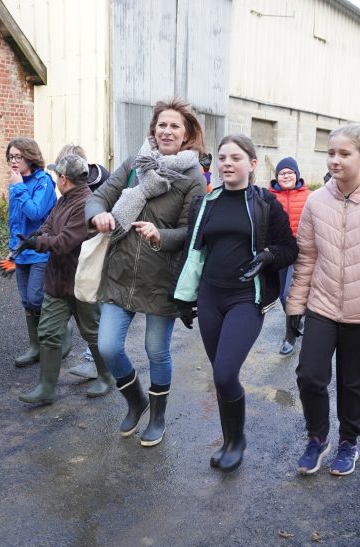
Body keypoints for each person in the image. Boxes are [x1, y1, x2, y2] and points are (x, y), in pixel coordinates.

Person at [285, 123, 360, 477]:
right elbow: (306, 257)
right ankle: (317, 438)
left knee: (355, 385)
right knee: (310, 376)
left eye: (344, 153)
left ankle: (348, 442)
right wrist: (296, 305)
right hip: (322, 307)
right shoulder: (315, 201)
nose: (335, 160)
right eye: (330, 153)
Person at [84, 97, 207, 447]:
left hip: (161, 278)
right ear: (153, 129)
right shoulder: (134, 164)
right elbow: (98, 197)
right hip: (120, 273)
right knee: (108, 346)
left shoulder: (193, 178)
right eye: (162, 125)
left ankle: (158, 414)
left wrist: (160, 236)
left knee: (156, 351)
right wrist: (98, 216)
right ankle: (135, 400)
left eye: (175, 126)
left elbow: (192, 231)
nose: (167, 131)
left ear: (187, 135)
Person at [174, 135, 297, 472]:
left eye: (236, 158)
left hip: (246, 297)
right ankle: (230, 438)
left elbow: (290, 249)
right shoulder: (204, 203)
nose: (227, 163)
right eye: (223, 158)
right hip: (210, 296)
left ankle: (237, 440)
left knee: (227, 371)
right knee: (220, 375)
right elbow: (192, 252)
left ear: (252, 164)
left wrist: (268, 256)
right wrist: (184, 298)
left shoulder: (266, 203)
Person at [15, 154, 114, 404]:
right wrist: (37, 236)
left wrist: (38, 242)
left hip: (82, 281)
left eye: (56, 174)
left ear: (63, 178)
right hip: (58, 281)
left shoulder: (86, 203)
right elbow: (48, 226)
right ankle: (46, 388)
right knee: (48, 332)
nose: (55, 178)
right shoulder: (63, 201)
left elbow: (64, 242)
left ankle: (106, 376)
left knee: (92, 332)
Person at [54, 142, 112, 382]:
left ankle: (99, 365)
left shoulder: (100, 183)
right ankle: (78, 347)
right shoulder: (67, 192)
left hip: (100, 251)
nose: (60, 181)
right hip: (79, 256)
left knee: (96, 311)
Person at [6, 137, 57, 367]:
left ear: (30, 157)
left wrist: (18, 187)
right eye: (11, 156)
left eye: (18, 156)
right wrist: (12, 249)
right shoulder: (15, 181)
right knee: (26, 300)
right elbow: (15, 221)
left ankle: (58, 336)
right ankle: (35, 347)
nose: (13, 161)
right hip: (21, 251)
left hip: (40, 250)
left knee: (37, 298)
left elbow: (35, 213)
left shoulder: (43, 182)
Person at [268, 156, 310, 355]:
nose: (285, 176)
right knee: (281, 296)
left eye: (289, 172)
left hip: (302, 251)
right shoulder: (267, 196)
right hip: (279, 252)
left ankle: (290, 336)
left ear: (297, 175)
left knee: (289, 295)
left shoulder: (309, 196)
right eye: (281, 173)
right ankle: (297, 318)